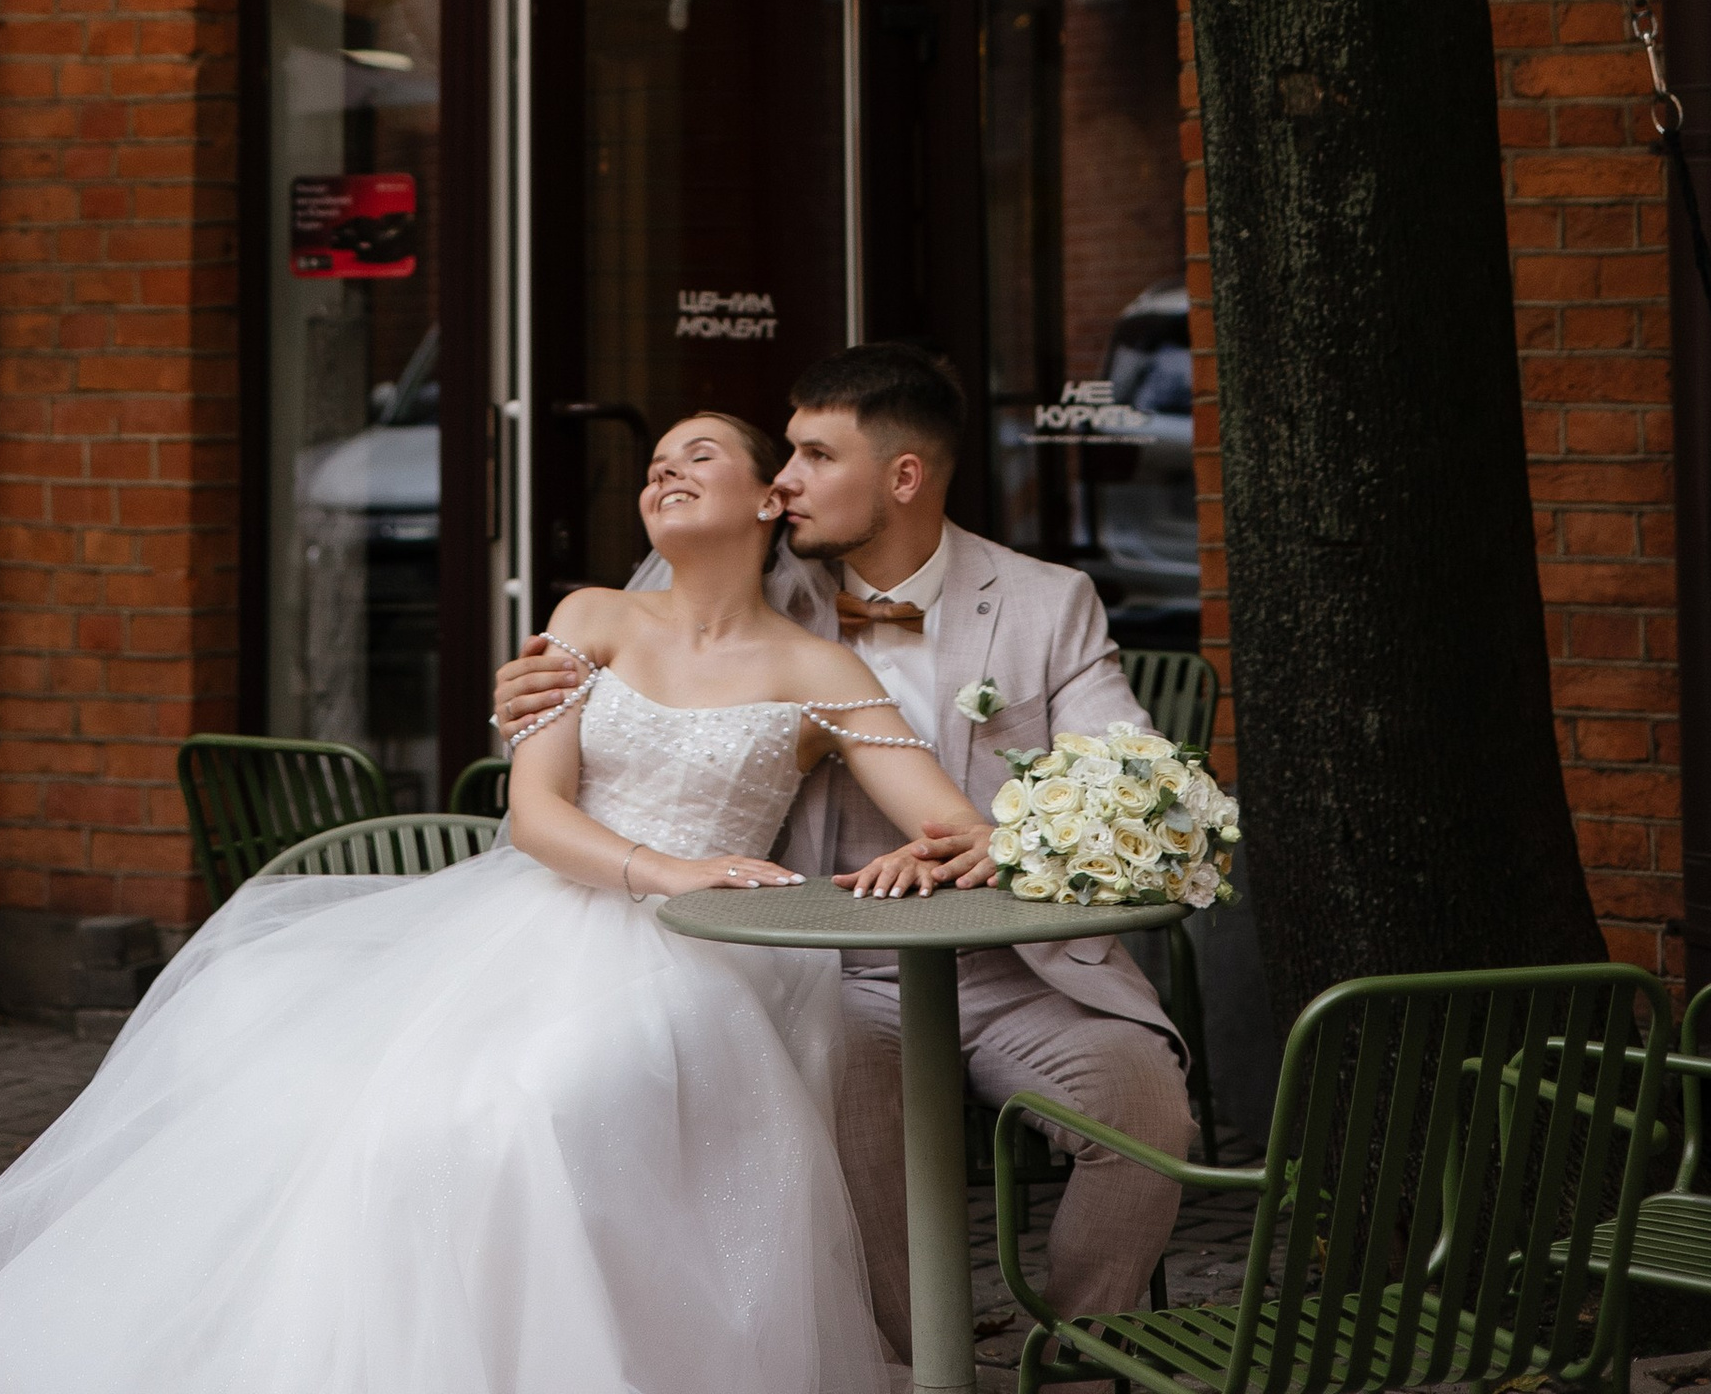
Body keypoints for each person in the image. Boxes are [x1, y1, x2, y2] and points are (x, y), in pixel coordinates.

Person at [0, 410, 988, 1394]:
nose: (664, 474)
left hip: (705, 964)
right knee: (391, 1118)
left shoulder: (820, 670)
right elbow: (536, 813)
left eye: (696, 456)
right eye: (652, 468)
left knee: (539, 1109)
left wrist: (933, 854)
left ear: (769, 501)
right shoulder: (589, 619)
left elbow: (948, 821)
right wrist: (668, 870)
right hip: (542, 918)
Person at [492, 343, 1197, 1353]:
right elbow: (624, 728)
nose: (783, 481)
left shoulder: (1047, 603)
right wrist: (518, 698)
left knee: (1143, 1108)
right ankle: (916, 1362)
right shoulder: (757, 600)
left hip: (1021, 964)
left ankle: (1075, 1361)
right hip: (837, 967)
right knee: (843, 1127)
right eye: (780, 457)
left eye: (814, 457)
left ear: (900, 476)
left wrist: (989, 839)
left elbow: (1140, 783)